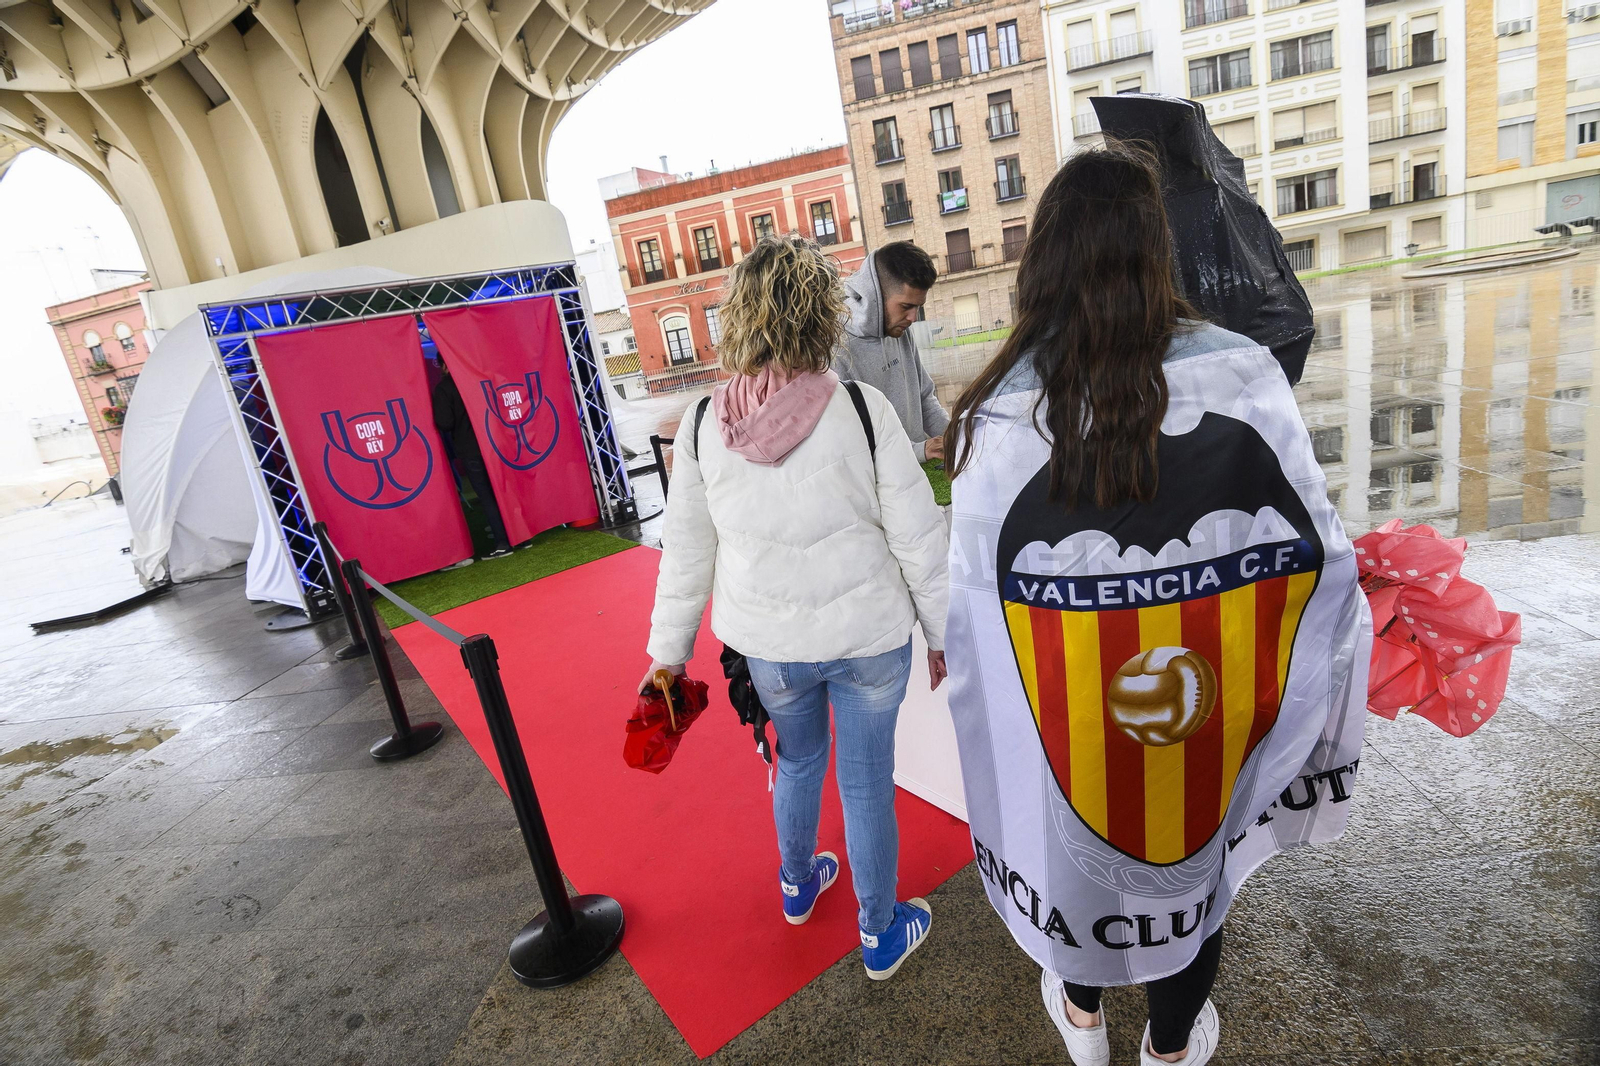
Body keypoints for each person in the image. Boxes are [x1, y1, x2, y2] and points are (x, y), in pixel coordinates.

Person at [940, 142, 1369, 1066]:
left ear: (1041, 262)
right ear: (1156, 252)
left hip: (1075, 711)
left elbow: (973, 614)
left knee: (1074, 858)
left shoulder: (998, 414)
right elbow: (1321, 557)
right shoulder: (1245, 373)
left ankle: (1085, 1025)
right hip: (1213, 696)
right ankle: (1171, 1049)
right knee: (1195, 878)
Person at [641, 236, 950, 980]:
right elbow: (919, 539)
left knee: (799, 758)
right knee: (868, 780)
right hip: (870, 639)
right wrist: (943, 633)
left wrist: (667, 655)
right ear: (822, 318)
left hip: (770, 646)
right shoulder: (861, 409)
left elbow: (685, 552)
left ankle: (796, 883)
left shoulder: (701, 425)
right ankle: (880, 932)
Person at [835, 241, 950, 463]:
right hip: (880, 487)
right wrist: (919, 450)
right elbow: (853, 443)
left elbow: (925, 397)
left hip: (918, 468)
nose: (913, 318)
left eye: (918, 307)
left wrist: (954, 435)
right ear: (875, 297)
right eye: (906, 307)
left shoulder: (898, 329)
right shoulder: (836, 348)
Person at [431, 356, 513, 560]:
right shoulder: (476, 379)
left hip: (471, 448)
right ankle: (519, 536)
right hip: (495, 443)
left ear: (443, 364)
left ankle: (503, 541)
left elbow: (444, 422)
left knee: (486, 495)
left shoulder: (444, 388)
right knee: (504, 491)